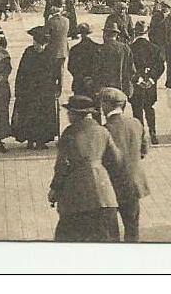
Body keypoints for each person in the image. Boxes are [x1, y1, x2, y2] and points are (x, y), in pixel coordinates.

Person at [48, 95, 123, 242]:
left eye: (70, 112)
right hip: (105, 196)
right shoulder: (102, 131)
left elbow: (62, 166)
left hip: (77, 198)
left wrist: (54, 189)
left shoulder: (69, 133)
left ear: (76, 114)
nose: (68, 115)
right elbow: (116, 160)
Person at [98, 87, 150, 243]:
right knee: (132, 229)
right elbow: (143, 151)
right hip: (134, 185)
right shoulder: (136, 123)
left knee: (111, 233)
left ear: (106, 105)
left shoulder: (104, 130)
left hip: (111, 187)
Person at [12, 26, 63, 149]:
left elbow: (58, 73)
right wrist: (18, 90)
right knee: (28, 114)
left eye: (39, 45)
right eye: (35, 43)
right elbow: (21, 72)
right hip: (29, 91)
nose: (36, 47)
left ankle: (41, 140)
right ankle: (30, 140)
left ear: (44, 44)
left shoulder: (51, 54)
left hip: (45, 92)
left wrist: (58, 88)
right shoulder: (28, 52)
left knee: (43, 116)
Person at [129, 21, 165, 144]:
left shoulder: (129, 48)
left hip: (136, 85)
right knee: (149, 108)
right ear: (147, 32)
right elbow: (160, 66)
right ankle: (153, 133)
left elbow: (128, 68)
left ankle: (141, 136)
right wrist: (151, 79)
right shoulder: (154, 48)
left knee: (137, 110)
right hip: (150, 85)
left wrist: (137, 80)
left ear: (135, 32)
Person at [68, 23, 101, 99]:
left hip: (78, 83)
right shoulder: (97, 48)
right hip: (93, 83)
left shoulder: (74, 49)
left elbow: (70, 67)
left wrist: (79, 76)